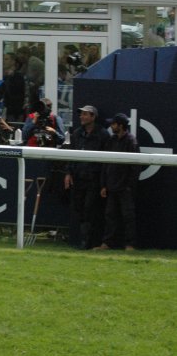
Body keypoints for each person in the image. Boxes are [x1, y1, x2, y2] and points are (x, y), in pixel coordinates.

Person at [64, 105, 110, 249]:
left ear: (93, 117)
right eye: (81, 114)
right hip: (78, 178)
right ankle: (84, 241)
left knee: (90, 210)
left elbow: (106, 162)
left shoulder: (103, 135)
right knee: (79, 210)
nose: (81, 117)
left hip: (94, 180)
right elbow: (71, 155)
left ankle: (89, 242)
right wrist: (68, 173)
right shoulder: (77, 134)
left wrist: (103, 183)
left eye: (85, 114)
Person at [95, 113, 140, 251]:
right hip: (111, 186)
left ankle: (130, 244)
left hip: (124, 187)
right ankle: (107, 243)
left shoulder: (131, 141)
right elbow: (105, 163)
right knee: (110, 216)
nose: (111, 126)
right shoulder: (111, 140)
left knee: (128, 217)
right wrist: (103, 185)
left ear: (120, 125)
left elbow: (135, 167)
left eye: (114, 124)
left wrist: (128, 185)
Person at [3, 52, 26, 122]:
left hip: (15, 112)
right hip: (7, 110)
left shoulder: (18, 76)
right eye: (4, 59)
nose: (4, 61)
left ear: (13, 61)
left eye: (6, 59)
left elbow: (18, 94)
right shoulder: (4, 75)